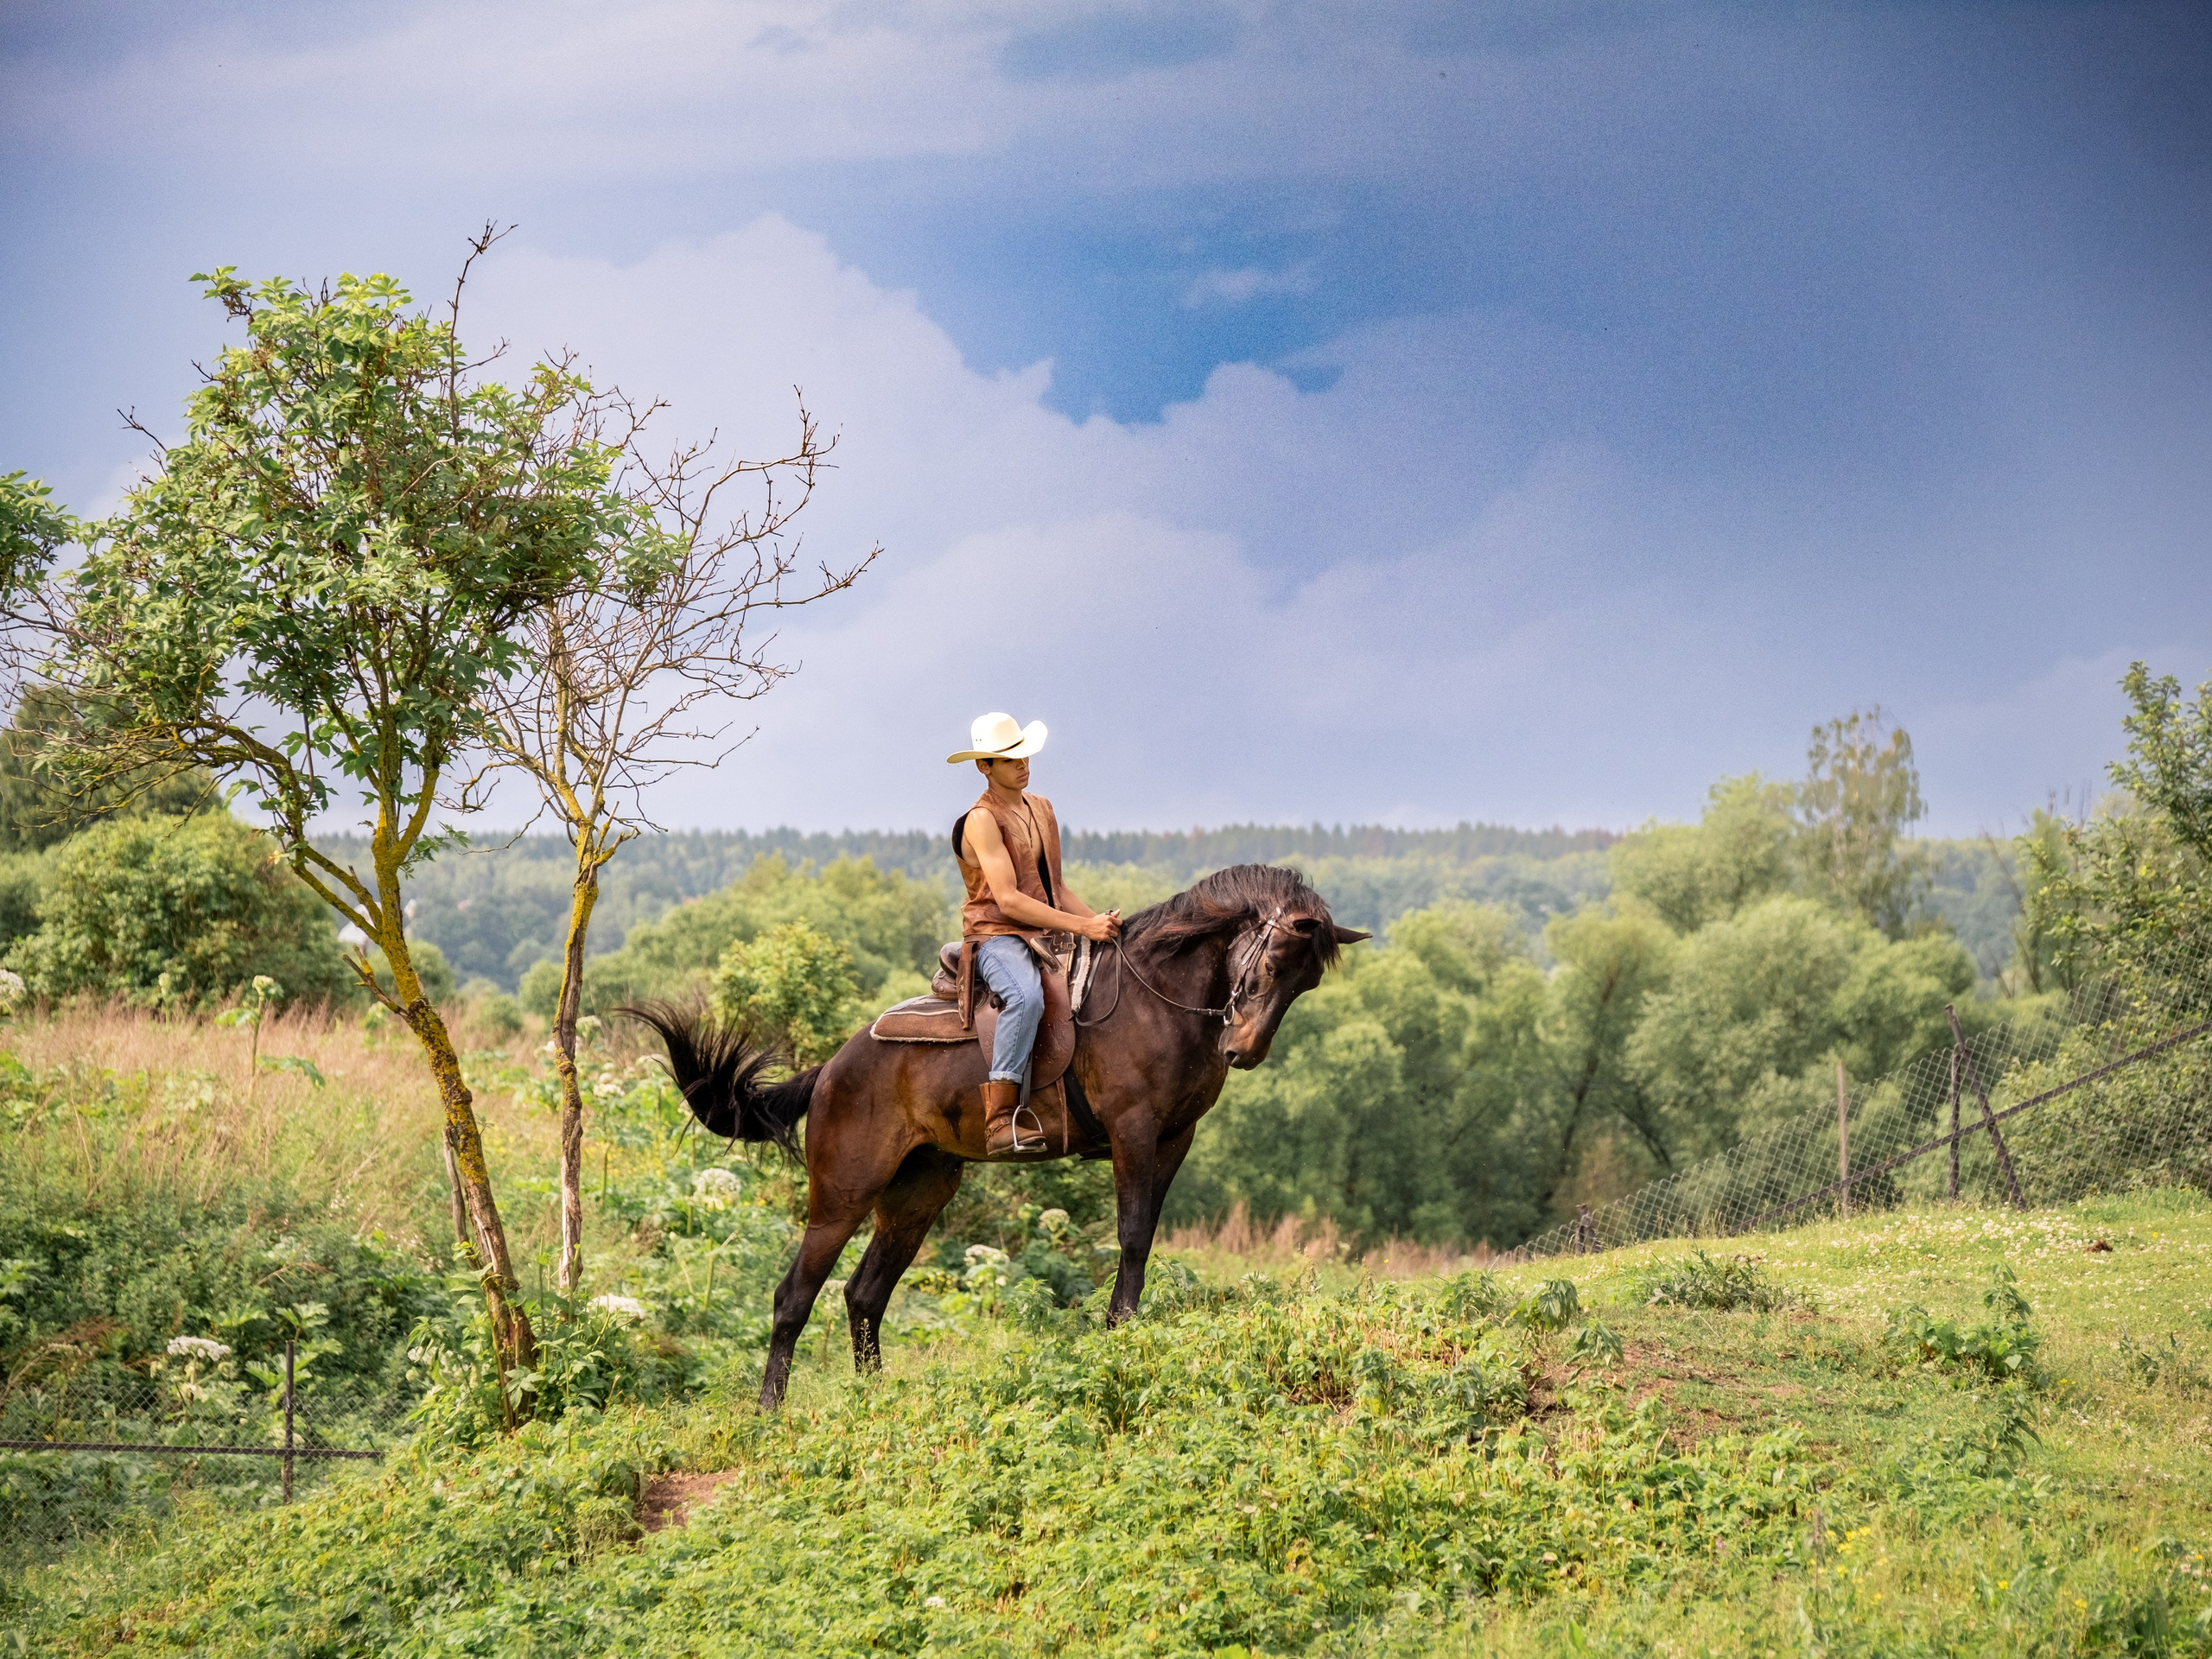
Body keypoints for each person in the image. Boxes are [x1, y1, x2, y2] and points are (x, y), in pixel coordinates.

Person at [947, 711, 1122, 1154]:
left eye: (1024, 755)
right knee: (1026, 996)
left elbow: (1056, 889)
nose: (1022, 764)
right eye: (1009, 760)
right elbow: (1007, 900)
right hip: (996, 936)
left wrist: (1103, 927)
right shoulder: (981, 820)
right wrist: (1083, 926)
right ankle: (999, 1120)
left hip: (1045, 932)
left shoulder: (1042, 808)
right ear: (984, 766)